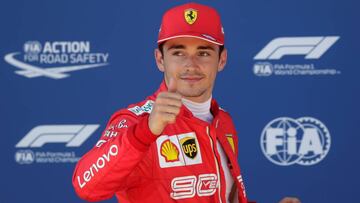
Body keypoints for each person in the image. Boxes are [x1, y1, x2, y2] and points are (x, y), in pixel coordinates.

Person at [72, 2, 300, 203]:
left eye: (203, 53)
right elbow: (86, 186)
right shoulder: (137, 121)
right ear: (160, 60)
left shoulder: (223, 120)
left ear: (222, 60)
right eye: (179, 53)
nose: (191, 65)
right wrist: (145, 132)